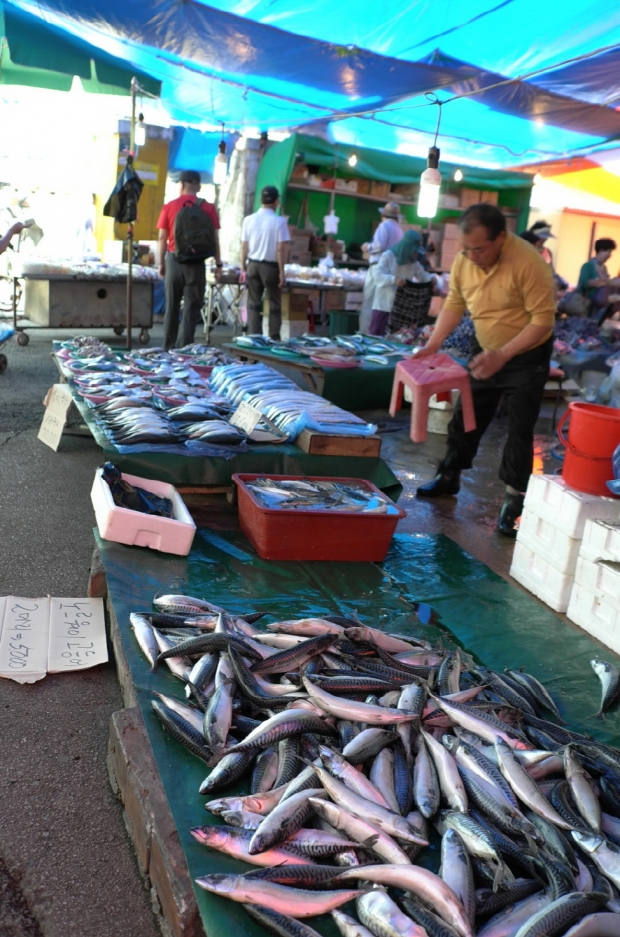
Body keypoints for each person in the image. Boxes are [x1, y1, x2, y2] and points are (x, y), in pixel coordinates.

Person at [415, 203, 556, 537]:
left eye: (479, 249)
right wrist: (433, 344)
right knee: (467, 414)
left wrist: (503, 354)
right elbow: (454, 304)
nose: (472, 256)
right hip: (486, 349)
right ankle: (449, 476)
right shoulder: (466, 260)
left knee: (520, 429)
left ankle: (513, 500)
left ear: (501, 239)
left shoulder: (529, 263)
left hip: (526, 354)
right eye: (466, 250)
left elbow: (543, 321)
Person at [157, 170, 221, 350]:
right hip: (196, 262)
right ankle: (184, 349)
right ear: (198, 186)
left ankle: (167, 348)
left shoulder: (169, 206)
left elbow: (162, 237)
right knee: (191, 308)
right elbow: (214, 239)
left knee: (172, 306)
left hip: (174, 260)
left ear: (182, 184)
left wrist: (161, 263)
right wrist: (218, 264)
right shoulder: (208, 208)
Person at [240, 186, 290, 339]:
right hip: (271, 267)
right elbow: (281, 248)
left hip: (252, 265)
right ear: (276, 201)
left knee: (254, 303)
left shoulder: (248, 220)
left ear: (261, 200)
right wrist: (282, 271)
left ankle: (254, 337)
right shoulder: (279, 221)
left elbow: (244, 246)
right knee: (274, 304)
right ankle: (274, 337)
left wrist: (243, 267)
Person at [368, 231, 435, 336]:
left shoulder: (413, 263)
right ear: (407, 247)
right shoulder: (388, 256)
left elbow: (423, 276)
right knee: (377, 338)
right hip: (384, 306)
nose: (415, 254)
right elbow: (377, 276)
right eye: (414, 251)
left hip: (401, 310)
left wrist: (433, 280)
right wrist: (394, 279)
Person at [360, 202, 404, 333]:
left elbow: (378, 246)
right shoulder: (399, 230)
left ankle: (365, 335)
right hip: (391, 271)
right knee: (381, 306)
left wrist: (367, 247)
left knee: (369, 303)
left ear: (383, 214)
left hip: (378, 268)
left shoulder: (384, 226)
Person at [577, 238, 620, 321]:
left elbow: (607, 282)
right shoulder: (588, 266)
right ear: (600, 250)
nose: (610, 255)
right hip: (588, 304)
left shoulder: (604, 268)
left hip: (601, 305)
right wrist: (596, 282)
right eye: (608, 251)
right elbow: (583, 283)